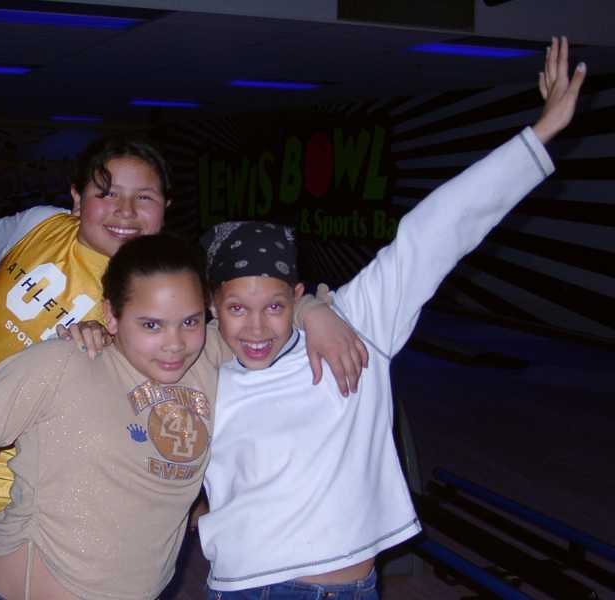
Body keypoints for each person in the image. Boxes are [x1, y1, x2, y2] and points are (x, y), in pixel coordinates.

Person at [197, 36, 585, 599]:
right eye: (237, 309)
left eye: (276, 305)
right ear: (213, 308)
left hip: (350, 588)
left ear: (297, 294)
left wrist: (541, 132)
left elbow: (437, 229)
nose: (256, 328)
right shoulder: (197, 364)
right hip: (247, 588)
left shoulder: (360, 321)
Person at [0, 134, 367, 597]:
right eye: (107, 193)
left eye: (144, 198)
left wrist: (309, 310)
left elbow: (249, 307)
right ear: (76, 199)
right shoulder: (37, 227)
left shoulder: (171, 291)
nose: (125, 211)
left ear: (166, 208)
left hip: (48, 508)